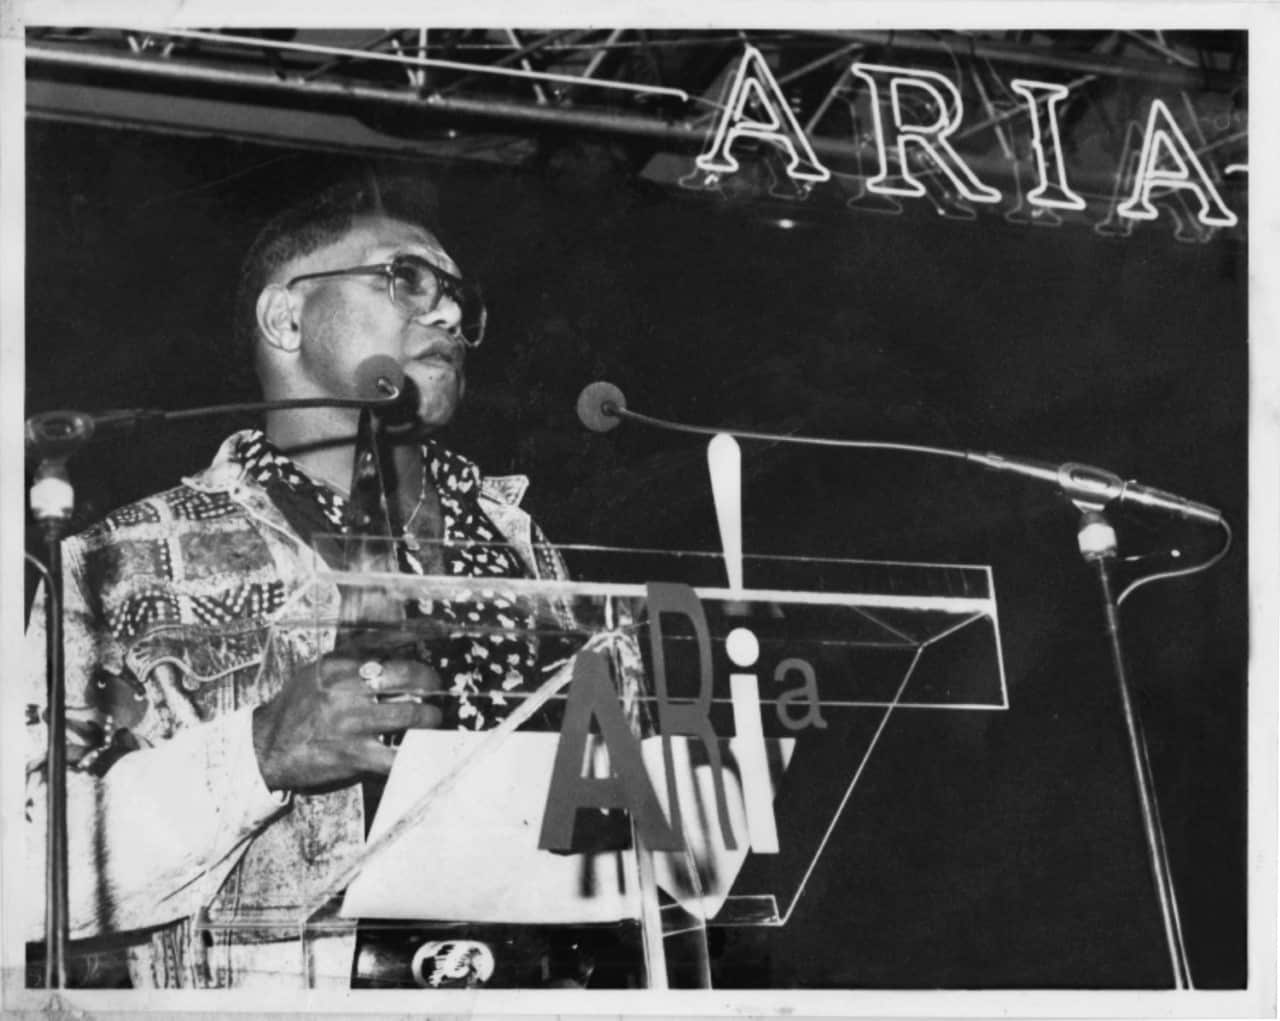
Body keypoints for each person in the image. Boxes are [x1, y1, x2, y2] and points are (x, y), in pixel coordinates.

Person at [23, 178, 588, 989]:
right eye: (408, 278)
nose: (450, 315)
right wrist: (258, 753)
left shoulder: (526, 546)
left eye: (461, 300)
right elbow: (24, 870)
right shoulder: (123, 561)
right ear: (286, 317)